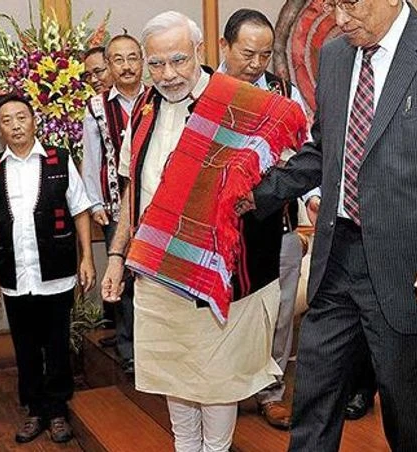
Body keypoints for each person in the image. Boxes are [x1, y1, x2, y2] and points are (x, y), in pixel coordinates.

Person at [239, 0, 417, 449]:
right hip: (338, 255)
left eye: (350, 5)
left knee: (409, 419)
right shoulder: (336, 54)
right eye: (333, 5)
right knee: (312, 401)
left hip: (415, 270)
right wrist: (260, 192)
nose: (340, 20)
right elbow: (326, 150)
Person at [101, 11, 307, 452]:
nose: (168, 74)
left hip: (221, 276)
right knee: (176, 379)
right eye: (155, 64)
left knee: (215, 383)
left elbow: (302, 159)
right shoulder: (144, 108)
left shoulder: (239, 102)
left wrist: (255, 198)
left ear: (200, 50)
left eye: (178, 60)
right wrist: (117, 257)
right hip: (157, 273)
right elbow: (132, 193)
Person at [0, 94, 95, 444]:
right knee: (25, 347)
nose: (15, 125)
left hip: (56, 273)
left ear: (33, 121)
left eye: (21, 117)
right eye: (7, 120)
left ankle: (58, 411)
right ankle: (35, 410)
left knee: (56, 345)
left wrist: (86, 257)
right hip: (15, 276)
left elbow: (80, 210)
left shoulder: (59, 159)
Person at [217, 8, 314, 430]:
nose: (257, 65)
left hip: (277, 218)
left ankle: (271, 390)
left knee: (277, 309)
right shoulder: (205, 89)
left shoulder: (283, 91)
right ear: (224, 46)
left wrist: (312, 199)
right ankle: (223, 388)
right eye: (247, 54)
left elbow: (307, 151)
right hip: (219, 225)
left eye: (264, 55)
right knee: (223, 308)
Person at [81, 32, 145, 375]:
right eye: (118, 59)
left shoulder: (157, 98)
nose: (126, 65)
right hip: (117, 206)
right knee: (124, 280)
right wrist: (94, 203)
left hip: (155, 207)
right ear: (108, 65)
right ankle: (129, 349)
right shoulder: (96, 107)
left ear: (143, 60)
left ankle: (157, 349)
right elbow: (91, 159)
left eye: (132, 57)